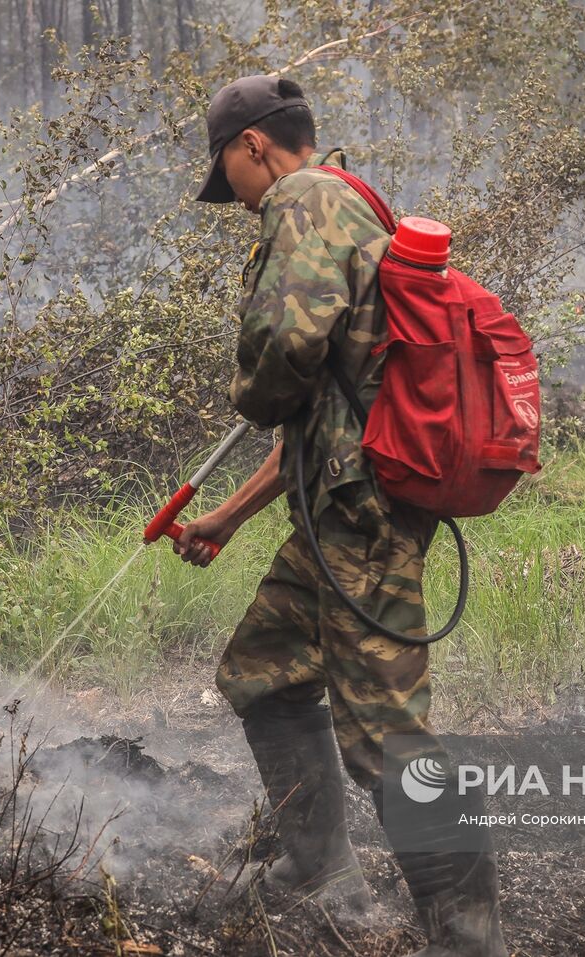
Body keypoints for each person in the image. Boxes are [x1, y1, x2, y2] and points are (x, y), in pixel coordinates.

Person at [175, 75, 505, 955]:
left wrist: (251, 390)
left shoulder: (304, 198)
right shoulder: (357, 200)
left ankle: (471, 931)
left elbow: (285, 348)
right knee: (264, 669)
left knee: (385, 737)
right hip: (339, 504)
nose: (233, 197)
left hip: (363, 517)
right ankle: (321, 868)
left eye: (227, 174)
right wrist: (228, 518)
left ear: (252, 147)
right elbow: (327, 419)